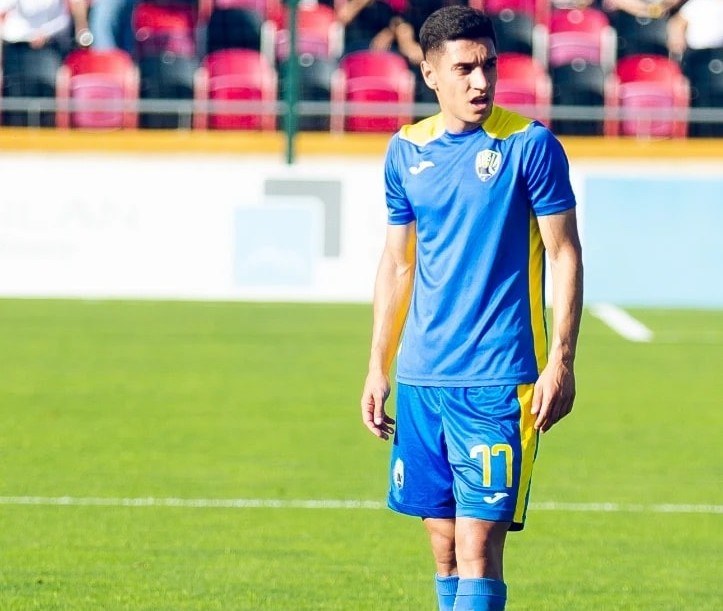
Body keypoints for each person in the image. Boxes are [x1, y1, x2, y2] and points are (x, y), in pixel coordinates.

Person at [359, 6, 583, 610]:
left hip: (499, 381)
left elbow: (564, 254)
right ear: (431, 73)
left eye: (489, 65)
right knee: (443, 547)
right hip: (423, 378)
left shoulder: (529, 145)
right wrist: (378, 366)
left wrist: (561, 361)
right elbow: (398, 264)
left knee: (478, 547)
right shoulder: (406, 151)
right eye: (464, 69)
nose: (481, 82)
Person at [0, 0, 91, 126]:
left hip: (49, 47)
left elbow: (65, 18)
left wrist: (45, 33)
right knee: (16, 96)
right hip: (16, 46)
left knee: (47, 94)